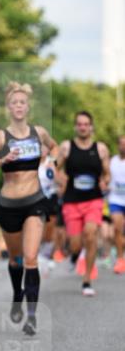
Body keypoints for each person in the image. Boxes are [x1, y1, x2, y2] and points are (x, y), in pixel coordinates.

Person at [0, 82, 57, 334]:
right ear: (8, 108)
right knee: (16, 258)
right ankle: (17, 293)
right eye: (14, 103)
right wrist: (2, 159)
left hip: (35, 200)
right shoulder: (1, 136)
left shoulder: (39, 132)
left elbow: (54, 147)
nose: (19, 106)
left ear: (27, 106)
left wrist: (49, 158)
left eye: (22, 102)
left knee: (31, 258)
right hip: (9, 204)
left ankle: (31, 316)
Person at [57, 111, 111, 296]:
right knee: (75, 244)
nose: (83, 127)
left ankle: (87, 280)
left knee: (90, 234)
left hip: (93, 200)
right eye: (79, 124)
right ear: (75, 127)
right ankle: (74, 255)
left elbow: (107, 173)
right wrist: (60, 180)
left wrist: (106, 181)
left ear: (91, 127)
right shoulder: (66, 147)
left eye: (86, 124)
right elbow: (54, 168)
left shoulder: (101, 149)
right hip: (72, 201)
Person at [108, 134, 125, 274]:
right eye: (121, 143)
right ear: (118, 145)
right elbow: (105, 176)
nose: (123, 146)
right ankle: (120, 259)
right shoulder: (112, 161)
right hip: (116, 200)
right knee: (117, 228)